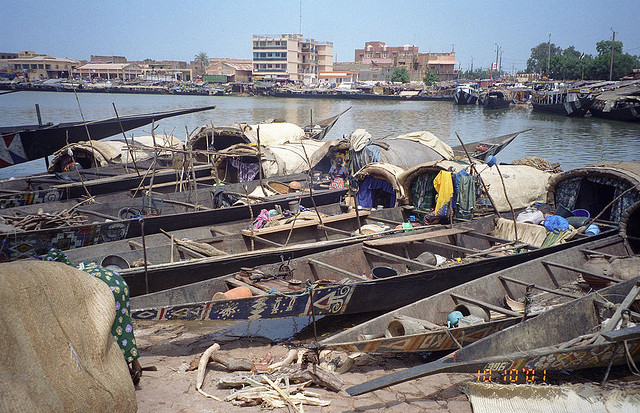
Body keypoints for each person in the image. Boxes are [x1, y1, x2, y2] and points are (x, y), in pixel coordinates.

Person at [43, 249, 142, 384]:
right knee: (124, 326)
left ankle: (124, 370)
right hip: (119, 283)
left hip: (107, 290)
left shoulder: (68, 277)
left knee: (111, 331)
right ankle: (135, 364)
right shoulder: (82, 266)